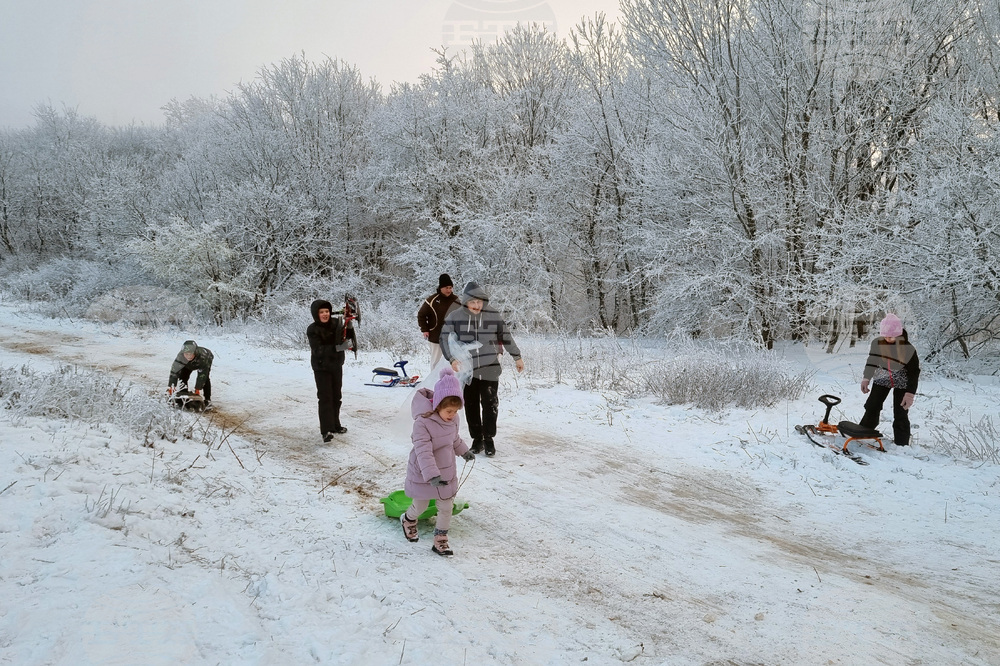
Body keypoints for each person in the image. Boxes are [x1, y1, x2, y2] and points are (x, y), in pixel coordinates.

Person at [439, 281, 524, 457]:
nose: (476, 306)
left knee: (490, 403)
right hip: (468, 369)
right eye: (473, 302)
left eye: (479, 302)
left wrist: (517, 356)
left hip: (490, 366)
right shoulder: (456, 317)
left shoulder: (492, 315)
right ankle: (477, 439)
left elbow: (505, 335)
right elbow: (443, 337)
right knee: (470, 405)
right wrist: (452, 358)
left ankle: (489, 439)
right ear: (466, 302)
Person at [400, 367, 475, 557]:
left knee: (446, 507)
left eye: (456, 411)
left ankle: (440, 540)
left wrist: (464, 451)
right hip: (424, 472)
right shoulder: (422, 423)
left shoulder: (453, 419)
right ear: (437, 405)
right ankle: (408, 520)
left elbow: (454, 439)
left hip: (446, 470)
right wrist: (432, 474)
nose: (452, 414)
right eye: (449, 410)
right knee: (421, 506)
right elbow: (423, 450)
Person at [859, 313, 920, 446]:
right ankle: (863, 433)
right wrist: (866, 378)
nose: (887, 338)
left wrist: (909, 393)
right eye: (885, 335)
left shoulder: (908, 349)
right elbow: (872, 361)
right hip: (882, 378)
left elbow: (914, 372)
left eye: (890, 336)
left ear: (898, 334)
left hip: (902, 382)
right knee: (872, 406)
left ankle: (902, 444)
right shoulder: (877, 343)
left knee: (900, 412)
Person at [307, 298, 355, 442]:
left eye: (327, 311)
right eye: (321, 312)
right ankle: (326, 430)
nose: (325, 314)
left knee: (336, 396)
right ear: (316, 314)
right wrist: (337, 348)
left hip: (336, 365)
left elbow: (346, 337)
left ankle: (335, 425)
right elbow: (318, 350)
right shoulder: (312, 329)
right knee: (325, 397)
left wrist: (350, 325)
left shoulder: (336, 324)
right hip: (321, 367)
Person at [417, 273, 460, 371]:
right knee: (436, 362)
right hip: (436, 336)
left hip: (452, 337)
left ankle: (451, 383)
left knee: (453, 361)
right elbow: (421, 315)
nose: (449, 290)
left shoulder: (456, 300)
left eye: (450, 287)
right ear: (440, 288)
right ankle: (434, 384)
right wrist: (425, 329)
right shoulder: (432, 300)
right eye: (446, 288)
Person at [168, 340, 214, 407]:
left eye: (190, 354)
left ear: (194, 353)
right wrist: (172, 386)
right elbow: (174, 371)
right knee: (183, 376)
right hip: (188, 364)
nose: (188, 356)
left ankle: (208, 400)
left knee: (205, 379)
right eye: (186, 354)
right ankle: (183, 394)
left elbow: (202, 376)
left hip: (204, 360)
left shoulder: (203, 358)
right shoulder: (181, 357)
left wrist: (198, 389)